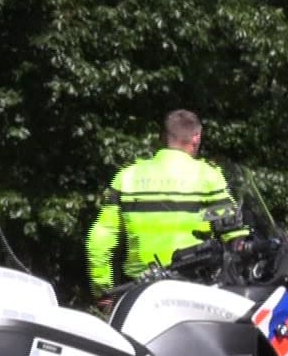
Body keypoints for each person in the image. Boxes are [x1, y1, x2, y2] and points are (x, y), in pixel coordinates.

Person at [86, 109, 244, 295]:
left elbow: (98, 242)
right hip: (194, 288)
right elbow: (234, 236)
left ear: (163, 137)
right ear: (196, 137)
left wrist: (103, 292)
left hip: (137, 291)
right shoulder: (207, 175)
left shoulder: (127, 175)